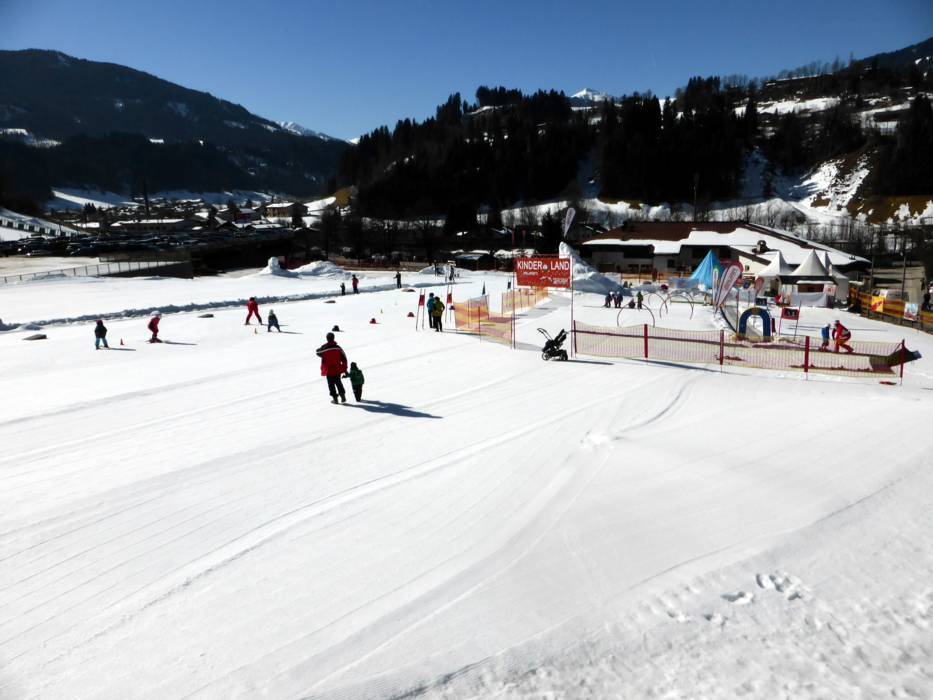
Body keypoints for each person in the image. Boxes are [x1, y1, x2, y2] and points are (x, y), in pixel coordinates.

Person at [316, 331, 348, 403]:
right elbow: (344, 359)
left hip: (328, 370)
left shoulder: (324, 348)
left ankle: (335, 399)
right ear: (333, 338)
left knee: (331, 385)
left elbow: (317, 352)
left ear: (327, 338)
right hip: (337, 369)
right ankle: (343, 396)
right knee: (338, 382)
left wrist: (324, 352)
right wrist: (345, 369)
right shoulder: (338, 348)